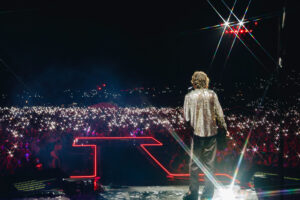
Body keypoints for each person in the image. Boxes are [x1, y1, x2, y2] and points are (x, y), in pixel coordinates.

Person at [183, 71, 228, 200]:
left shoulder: (189, 96)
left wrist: (192, 127)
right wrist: (224, 128)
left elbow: (186, 118)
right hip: (211, 134)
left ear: (194, 81)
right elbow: (219, 114)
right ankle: (208, 194)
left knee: (194, 165)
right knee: (210, 165)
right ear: (206, 81)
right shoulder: (212, 95)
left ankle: (194, 193)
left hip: (196, 135)